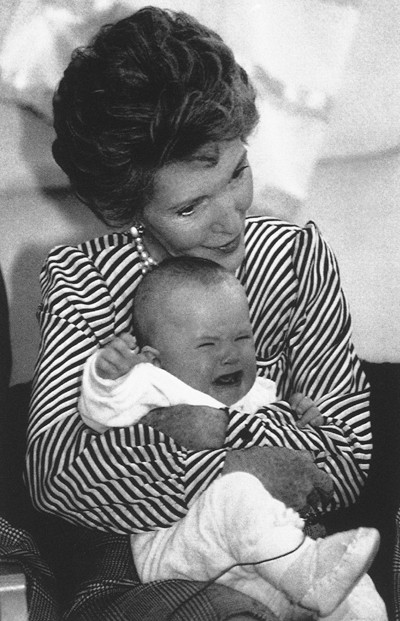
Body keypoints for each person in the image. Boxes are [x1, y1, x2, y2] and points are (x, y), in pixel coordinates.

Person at [26, 6, 373, 619]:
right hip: (147, 572)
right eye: (190, 208)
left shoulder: (296, 258)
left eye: (238, 173)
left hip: (292, 556)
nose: (232, 218)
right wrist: (247, 461)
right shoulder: (80, 279)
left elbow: (342, 461)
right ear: (130, 207)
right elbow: (60, 474)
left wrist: (186, 431)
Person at [78, 255, 384, 620]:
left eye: (242, 338)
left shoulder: (261, 393)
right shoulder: (156, 384)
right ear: (154, 359)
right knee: (236, 490)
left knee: (358, 595)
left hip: (258, 563)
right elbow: (99, 410)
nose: (229, 354)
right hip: (181, 551)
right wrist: (105, 374)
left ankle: (317, 582)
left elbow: (306, 451)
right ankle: (307, 571)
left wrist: (301, 417)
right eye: (207, 345)